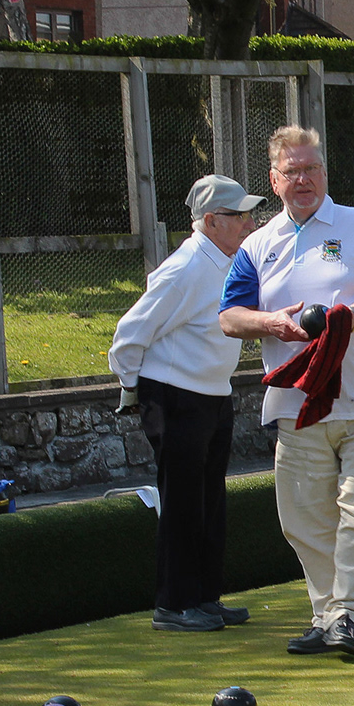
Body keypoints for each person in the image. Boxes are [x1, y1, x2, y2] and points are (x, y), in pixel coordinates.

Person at [217, 127, 354, 658]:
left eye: (312, 169)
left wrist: (352, 316)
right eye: (292, 171)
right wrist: (269, 323)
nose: (303, 180)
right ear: (274, 180)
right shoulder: (257, 245)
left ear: (324, 174)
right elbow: (228, 317)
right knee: (303, 518)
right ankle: (327, 614)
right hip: (295, 403)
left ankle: (348, 618)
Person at [109, 174, 266, 631]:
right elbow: (129, 334)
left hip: (213, 395)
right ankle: (174, 606)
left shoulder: (224, 261)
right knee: (182, 502)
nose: (249, 223)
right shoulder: (186, 268)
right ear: (213, 221)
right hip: (175, 397)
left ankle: (204, 597)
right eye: (240, 216)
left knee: (209, 499)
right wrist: (133, 390)